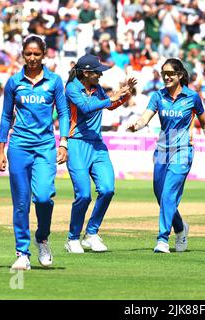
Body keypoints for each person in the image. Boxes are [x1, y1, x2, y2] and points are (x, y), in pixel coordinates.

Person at [0, 35, 70, 270]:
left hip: (45, 146)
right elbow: (6, 116)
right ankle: (22, 253)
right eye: (28, 53)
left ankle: (43, 238)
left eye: (37, 54)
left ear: (44, 54)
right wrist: (1, 150)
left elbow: (64, 113)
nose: (32, 58)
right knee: (20, 203)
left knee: (43, 197)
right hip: (19, 146)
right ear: (22, 54)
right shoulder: (14, 82)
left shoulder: (55, 81)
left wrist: (64, 142)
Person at [128, 58, 205, 253]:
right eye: (164, 74)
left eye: (170, 73)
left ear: (180, 75)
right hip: (162, 150)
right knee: (161, 196)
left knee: (168, 194)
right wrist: (137, 125)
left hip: (183, 151)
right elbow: (146, 117)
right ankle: (180, 227)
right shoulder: (158, 96)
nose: (167, 77)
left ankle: (162, 239)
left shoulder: (192, 97)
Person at [63, 54, 136, 253]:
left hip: (97, 144)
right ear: (86, 73)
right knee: (84, 195)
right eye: (97, 72)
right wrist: (111, 97)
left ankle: (91, 233)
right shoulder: (72, 88)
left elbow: (109, 105)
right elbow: (86, 108)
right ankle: (72, 238)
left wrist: (125, 94)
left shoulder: (97, 88)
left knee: (107, 189)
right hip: (77, 144)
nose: (100, 75)